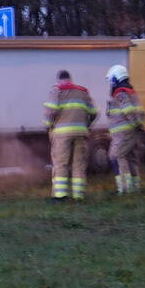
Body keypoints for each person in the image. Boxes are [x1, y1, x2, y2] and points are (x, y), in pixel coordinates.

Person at [43, 70, 98, 200]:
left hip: (62, 134)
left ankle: (60, 195)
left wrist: (48, 125)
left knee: (61, 163)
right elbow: (94, 112)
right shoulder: (83, 92)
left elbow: (51, 111)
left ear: (59, 80)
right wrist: (86, 125)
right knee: (79, 164)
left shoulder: (57, 91)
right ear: (70, 79)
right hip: (81, 133)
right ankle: (78, 195)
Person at [105, 65, 144, 194]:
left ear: (117, 78)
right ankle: (135, 187)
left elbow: (128, 110)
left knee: (116, 156)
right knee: (130, 157)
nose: (111, 83)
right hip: (130, 131)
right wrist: (138, 126)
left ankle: (124, 188)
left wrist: (134, 124)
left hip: (123, 132)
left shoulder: (120, 92)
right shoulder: (130, 91)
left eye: (112, 80)